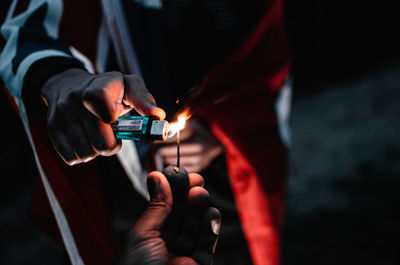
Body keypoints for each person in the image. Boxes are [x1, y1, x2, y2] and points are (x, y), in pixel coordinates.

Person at [0, 1, 291, 265]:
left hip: (225, 202)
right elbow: (32, 27)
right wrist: (58, 76)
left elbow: (267, 68)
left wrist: (222, 134)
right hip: (117, 199)